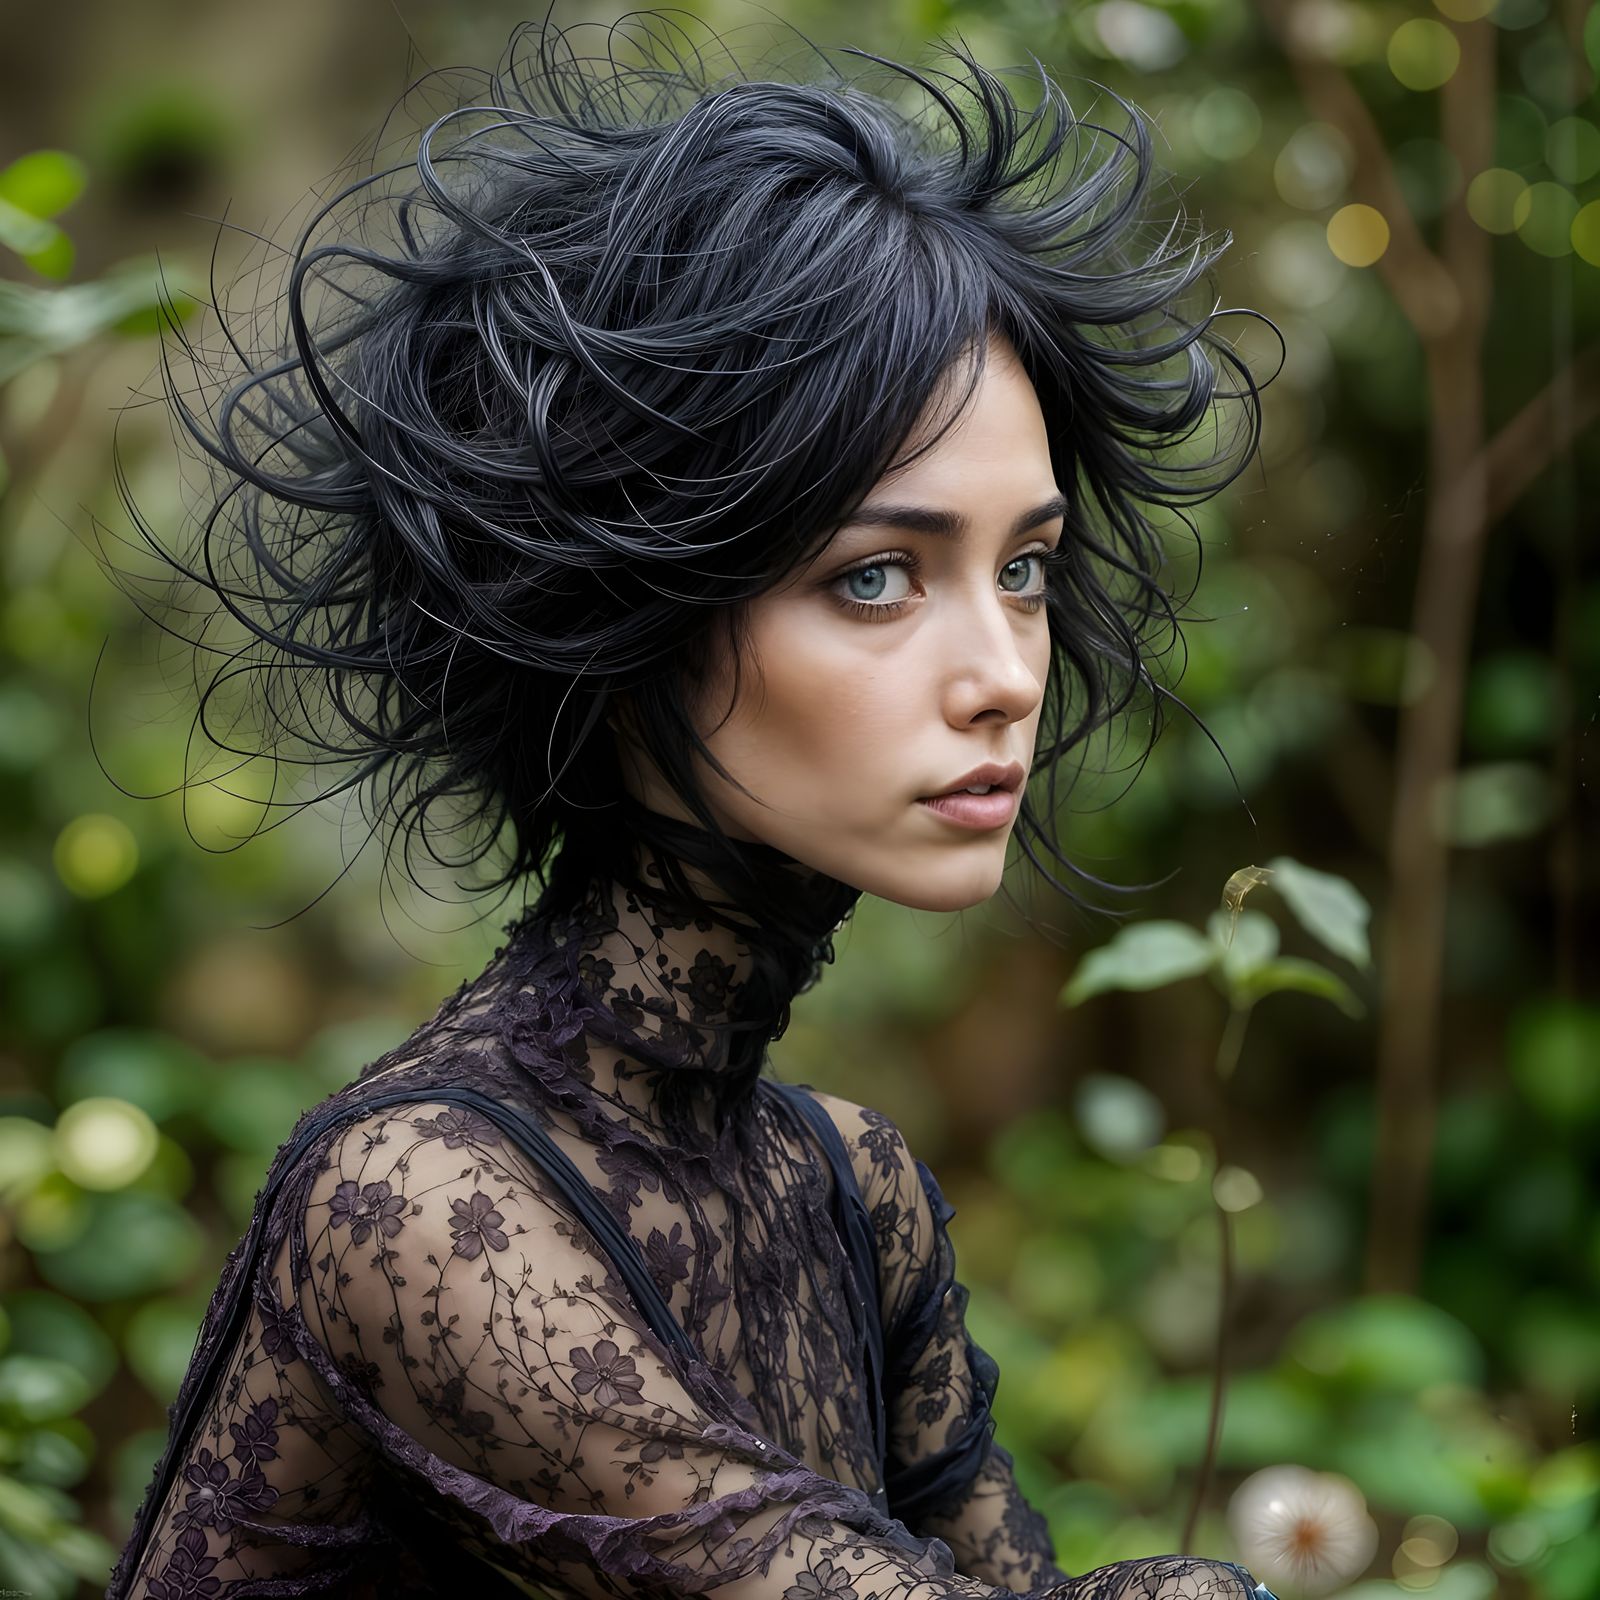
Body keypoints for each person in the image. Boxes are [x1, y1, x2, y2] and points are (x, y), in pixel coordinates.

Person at [103, 11, 1277, 1597]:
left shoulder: (854, 1202)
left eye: (1025, 569)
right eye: (877, 578)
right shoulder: (423, 1204)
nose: (1005, 669)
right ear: (631, 601)